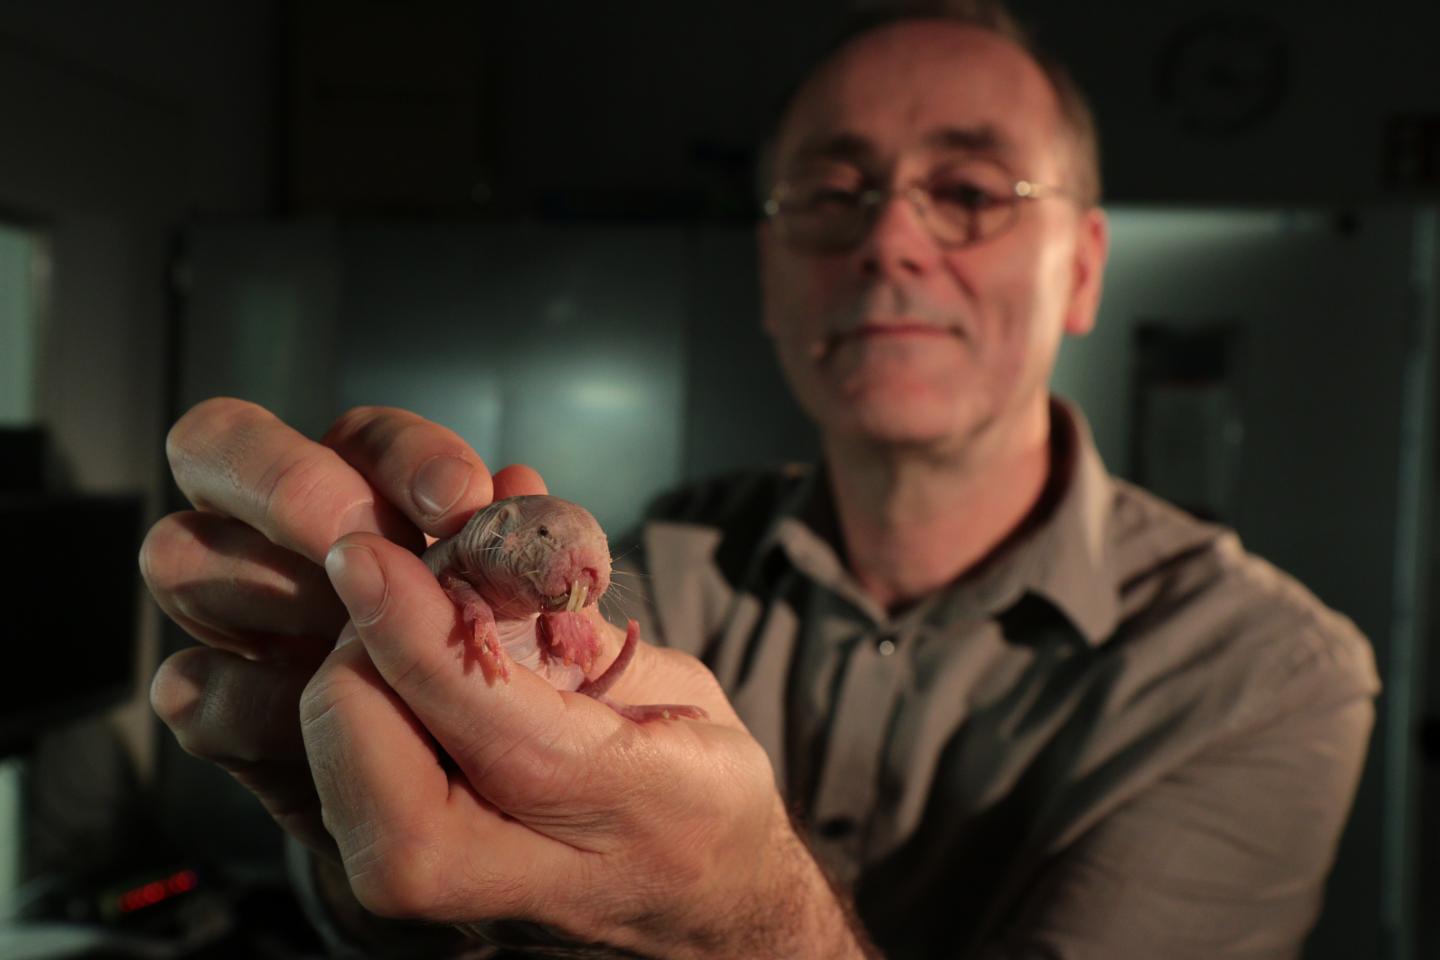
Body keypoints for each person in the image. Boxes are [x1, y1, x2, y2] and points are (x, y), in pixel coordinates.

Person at [140, 4, 1380, 958]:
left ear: (1084, 267)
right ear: (772, 274)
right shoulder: (663, 560)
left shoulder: (1268, 673)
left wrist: (744, 927)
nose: (891, 238)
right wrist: (353, 810)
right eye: (832, 194)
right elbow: (436, 904)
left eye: (970, 192)